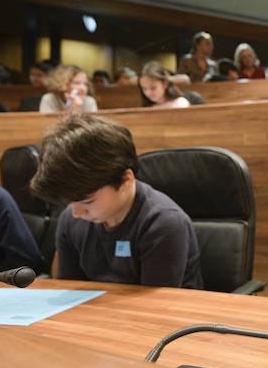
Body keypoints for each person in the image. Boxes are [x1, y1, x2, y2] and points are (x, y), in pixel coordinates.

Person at [29, 114, 203, 288]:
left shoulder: (163, 223)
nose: (76, 213)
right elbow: (70, 289)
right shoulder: (71, 219)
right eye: (68, 202)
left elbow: (157, 306)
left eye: (87, 202)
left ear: (125, 180)